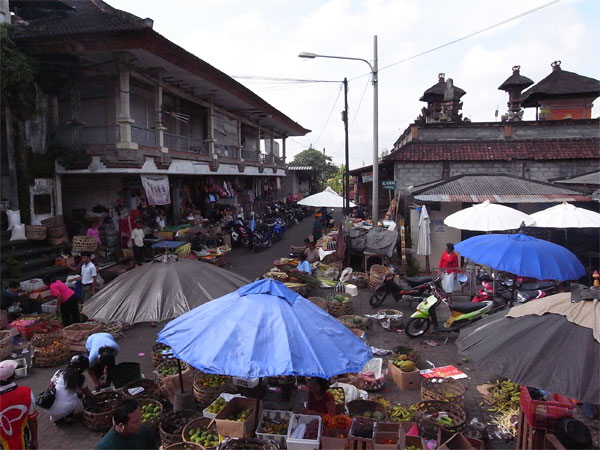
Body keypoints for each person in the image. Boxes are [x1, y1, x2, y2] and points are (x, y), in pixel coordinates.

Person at [40, 355, 92, 424]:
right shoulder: (81, 379)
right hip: (65, 408)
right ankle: (69, 415)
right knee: (78, 395)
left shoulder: (59, 372)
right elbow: (87, 393)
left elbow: (50, 387)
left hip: (48, 407)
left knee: (64, 396)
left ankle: (57, 418)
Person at [0, 360, 39, 449]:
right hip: (22, 441)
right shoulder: (26, 392)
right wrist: (34, 439)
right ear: (14, 376)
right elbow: (32, 419)